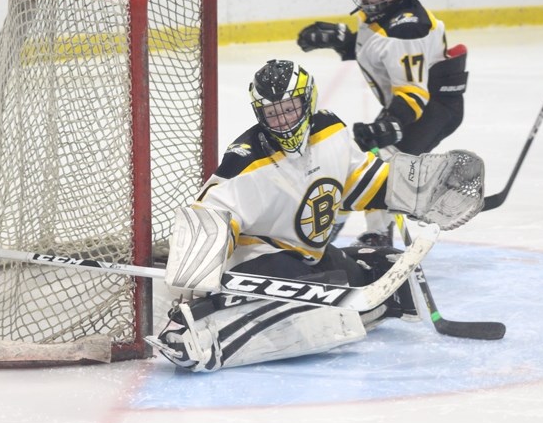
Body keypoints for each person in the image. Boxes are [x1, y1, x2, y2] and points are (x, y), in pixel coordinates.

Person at [145, 59, 484, 372]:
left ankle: (317, 309)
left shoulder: (331, 131)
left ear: (307, 102)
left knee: (386, 269)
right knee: (325, 293)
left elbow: (360, 182)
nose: (283, 121)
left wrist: (414, 191)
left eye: (290, 109)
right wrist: (199, 269)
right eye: (273, 113)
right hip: (260, 261)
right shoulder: (245, 161)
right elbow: (210, 213)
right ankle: (203, 339)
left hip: (309, 256)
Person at [297, 0, 469, 246]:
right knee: (364, 161)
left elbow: (413, 94)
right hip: (413, 104)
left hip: (434, 108)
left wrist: (387, 126)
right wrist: (343, 41)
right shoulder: (381, 14)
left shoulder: (407, 30)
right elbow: (377, 54)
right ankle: (344, 226)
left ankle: (379, 236)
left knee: (382, 164)